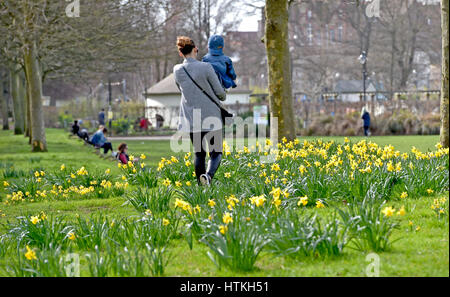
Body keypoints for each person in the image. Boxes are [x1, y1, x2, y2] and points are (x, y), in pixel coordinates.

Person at [174, 36, 227, 186]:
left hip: (192, 118)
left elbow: (182, 90)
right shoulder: (206, 67)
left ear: (181, 53)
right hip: (212, 117)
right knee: (216, 152)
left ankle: (200, 186)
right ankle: (208, 177)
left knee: (199, 153)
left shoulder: (177, 70)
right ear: (195, 49)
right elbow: (221, 94)